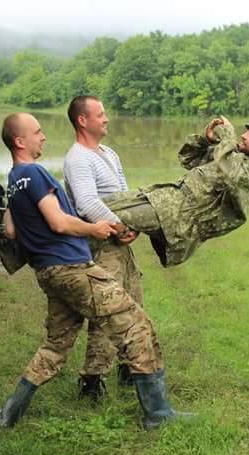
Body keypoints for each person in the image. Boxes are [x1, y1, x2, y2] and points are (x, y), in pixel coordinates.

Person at [0, 112, 192, 430]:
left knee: (55, 346)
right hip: (72, 269)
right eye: (38, 132)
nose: (43, 137)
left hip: (48, 274)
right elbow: (58, 221)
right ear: (20, 141)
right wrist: (94, 227)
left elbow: (11, 231)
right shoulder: (36, 172)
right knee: (136, 326)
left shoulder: (15, 179)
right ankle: (158, 414)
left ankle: (8, 414)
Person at [102, 116, 249, 267]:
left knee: (105, 216)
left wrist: (227, 137)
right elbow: (188, 159)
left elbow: (229, 171)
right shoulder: (233, 158)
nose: (244, 135)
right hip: (164, 199)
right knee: (102, 204)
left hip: (177, 217)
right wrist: (206, 139)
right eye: (246, 131)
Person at [63, 96, 149, 398]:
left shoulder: (108, 153)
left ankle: (129, 366)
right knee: (107, 309)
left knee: (133, 303)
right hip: (100, 243)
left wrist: (131, 226)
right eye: (100, 114)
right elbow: (86, 203)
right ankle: (92, 379)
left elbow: (122, 195)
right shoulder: (78, 158)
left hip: (120, 242)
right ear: (82, 121)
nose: (107, 118)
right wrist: (120, 226)